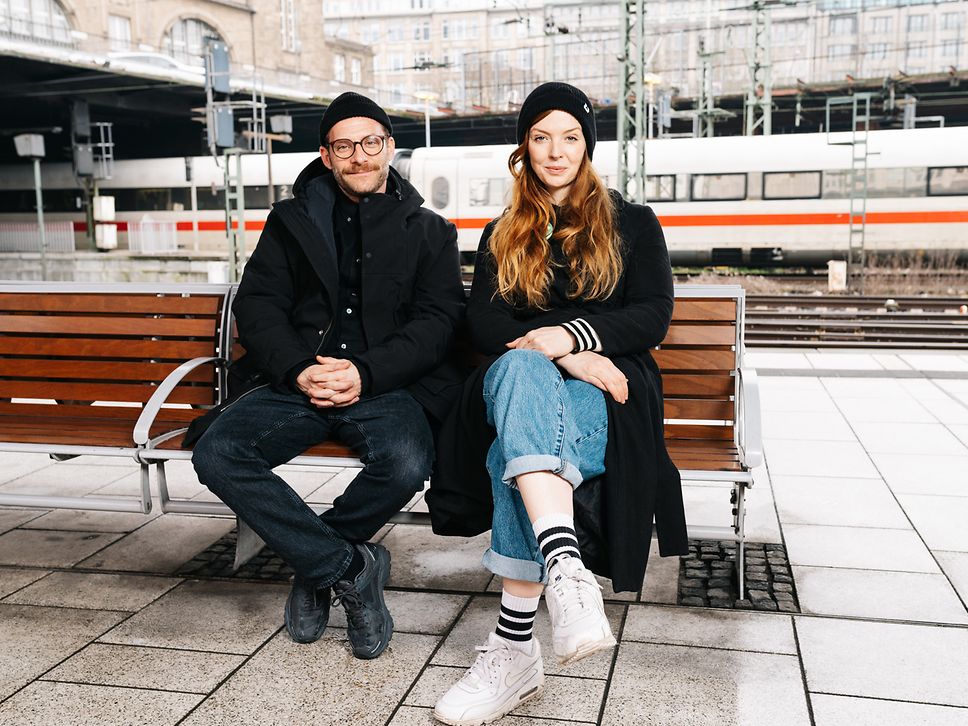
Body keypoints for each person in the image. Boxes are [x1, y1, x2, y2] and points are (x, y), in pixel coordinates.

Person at [430, 82, 688, 725]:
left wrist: (579, 337)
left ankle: (513, 648)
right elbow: (484, 326)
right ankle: (566, 570)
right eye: (541, 137)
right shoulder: (502, 231)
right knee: (520, 368)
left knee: (513, 455)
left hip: (612, 388)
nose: (555, 151)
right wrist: (566, 352)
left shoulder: (633, 222)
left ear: (587, 145)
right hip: (529, 378)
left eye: (569, 136)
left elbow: (653, 315)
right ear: (525, 147)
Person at [191, 92, 465, 660]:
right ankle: (349, 566)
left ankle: (313, 567)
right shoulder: (291, 221)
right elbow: (260, 305)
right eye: (345, 146)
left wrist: (366, 372)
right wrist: (297, 369)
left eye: (371, 143)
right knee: (217, 453)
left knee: (408, 462)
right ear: (326, 153)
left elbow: (438, 322)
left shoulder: (431, 231)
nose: (359, 156)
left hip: (385, 384)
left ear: (389, 147)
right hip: (300, 378)